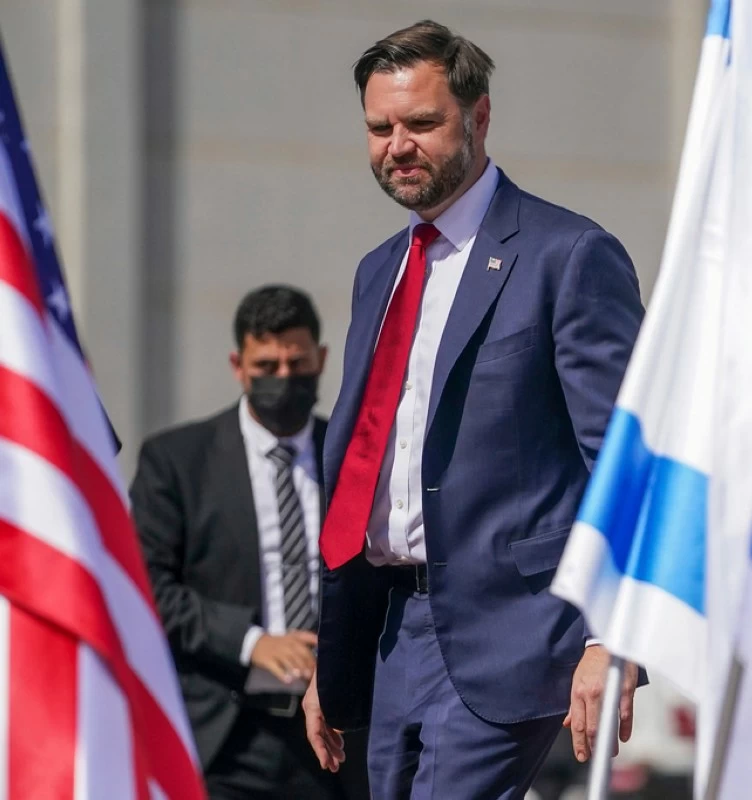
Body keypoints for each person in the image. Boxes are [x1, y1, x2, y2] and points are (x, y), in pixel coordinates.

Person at [302, 19, 646, 799]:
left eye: (422, 123)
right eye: (380, 127)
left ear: (479, 117)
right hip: (394, 636)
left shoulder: (568, 255)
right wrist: (336, 656)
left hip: (513, 637)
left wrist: (613, 638)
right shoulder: (379, 271)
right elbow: (364, 472)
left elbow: (624, 462)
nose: (398, 146)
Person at [130, 285, 368, 800]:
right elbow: (148, 586)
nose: (283, 378)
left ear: (320, 359)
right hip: (226, 734)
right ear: (239, 365)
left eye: (296, 363)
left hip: (339, 739)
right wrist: (253, 642)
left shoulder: (355, 458)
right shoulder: (178, 461)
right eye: (266, 366)